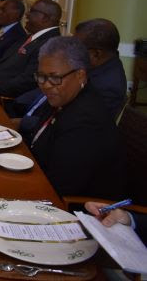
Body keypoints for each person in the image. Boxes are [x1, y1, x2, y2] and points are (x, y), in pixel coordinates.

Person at [30, 36, 125, 200]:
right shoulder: (63, 95)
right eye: (41, 76)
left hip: (75, 210)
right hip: (41, 180)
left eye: (54, 77)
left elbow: (59, 188)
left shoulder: (86, 122)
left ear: (80, 75)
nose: (45, 85)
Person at [0, 0, 62, 98]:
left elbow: (28, 80)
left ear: (45, 18)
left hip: (4, 99)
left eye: (32, 11)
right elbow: (4, 62)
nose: (26, 14)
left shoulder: (51, 44)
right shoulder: (31, 36)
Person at [74, 18, 127, 119]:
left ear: (96, 54)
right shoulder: (103, 63)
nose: (72, 51)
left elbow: (82, 122)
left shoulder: (107, 88)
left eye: (77, 48)